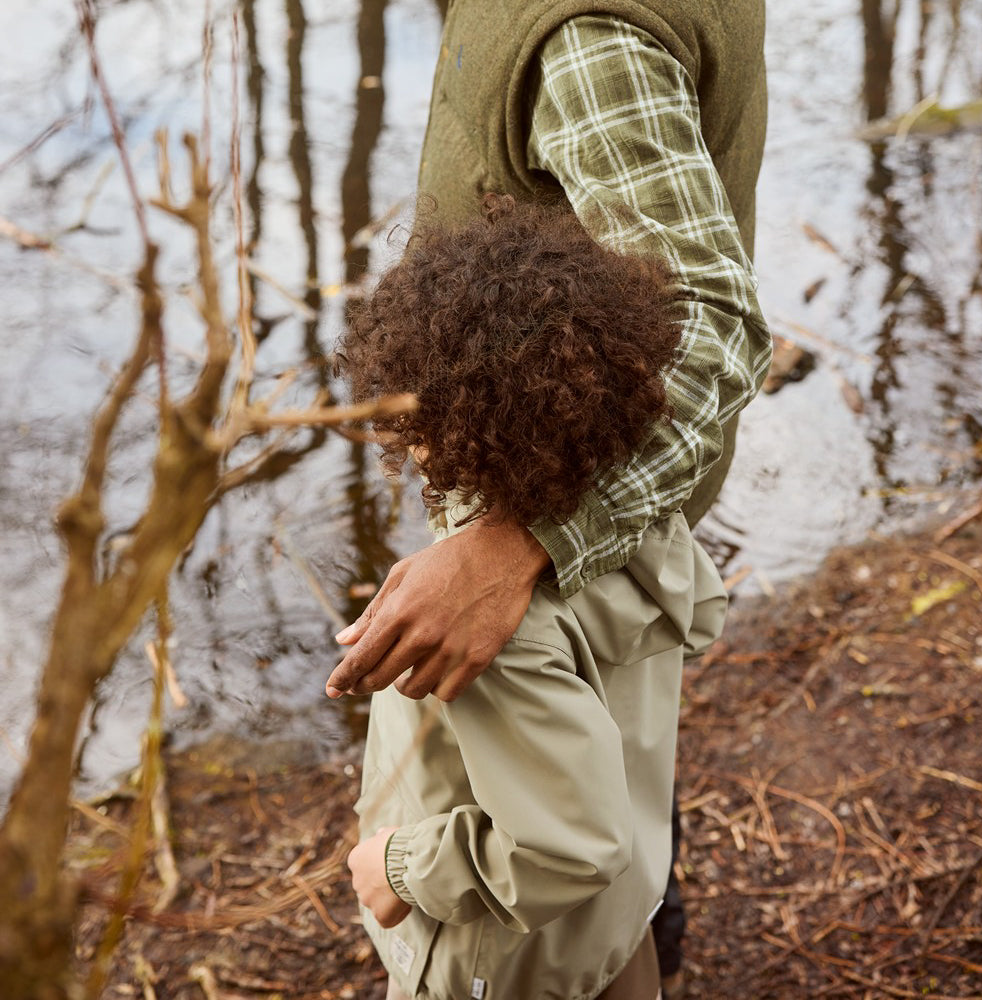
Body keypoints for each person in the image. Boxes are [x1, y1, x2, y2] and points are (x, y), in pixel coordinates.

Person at [327, 4, 771, 989]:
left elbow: (713, 329)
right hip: (589, 512)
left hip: (498, 964)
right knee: (622, 823)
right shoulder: (653, 564)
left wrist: (514, 543)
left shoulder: (586, 31)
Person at [343, 196, 728, 1000]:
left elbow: (570, 848)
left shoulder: (486, 628)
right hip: (615, 929)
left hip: (506, 964)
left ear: (451, 431)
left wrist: (398, 866)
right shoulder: (641, 530)